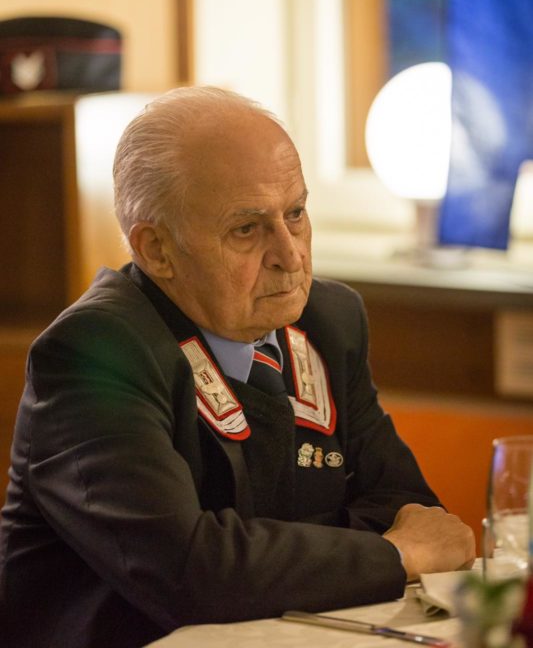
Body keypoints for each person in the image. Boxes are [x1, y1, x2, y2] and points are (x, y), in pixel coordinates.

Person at [0, 87, 475, 648]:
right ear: (156, 250)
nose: (290, 255)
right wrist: (392, 554)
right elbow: (192, 574)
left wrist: (254, 558)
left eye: (295, 214)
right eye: (246, 229)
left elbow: (413, 509)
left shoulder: (329, 321)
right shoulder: (94, 352)